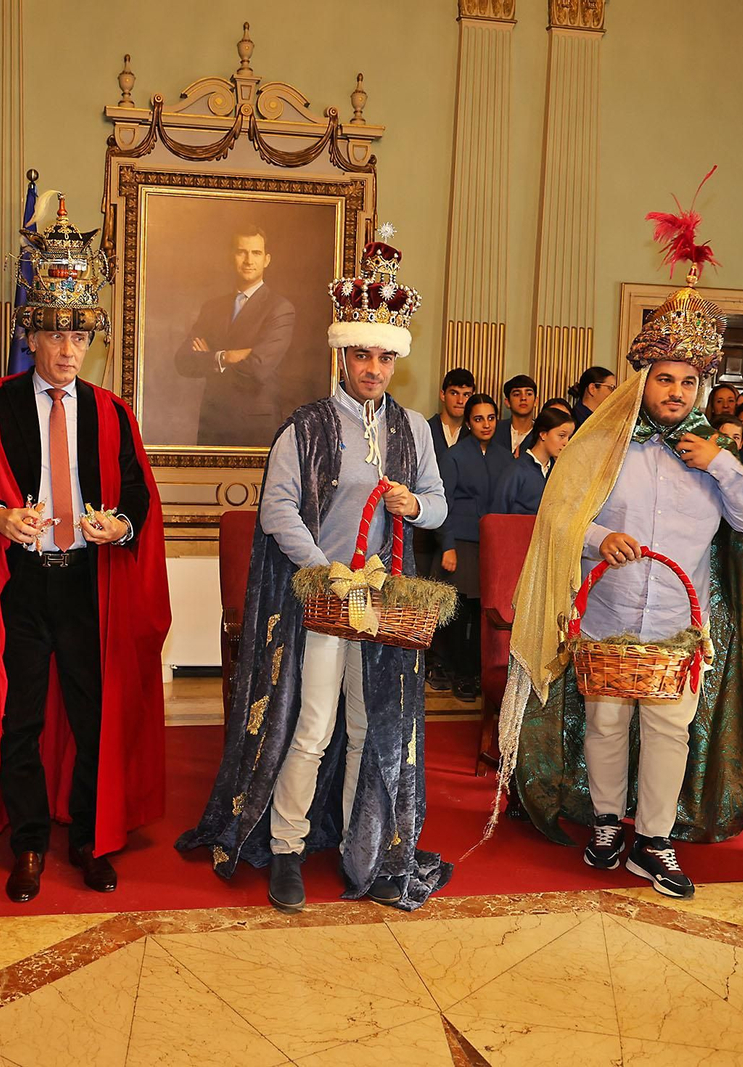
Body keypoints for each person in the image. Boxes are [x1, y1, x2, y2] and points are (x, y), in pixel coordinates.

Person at [177, 225, 452, 912]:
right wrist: (324, 570)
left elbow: (439, 506)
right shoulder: (305, 426)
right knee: (313, 726)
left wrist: (413, 503)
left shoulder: (414, 429)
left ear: (395, 360)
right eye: (362, 354)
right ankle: (287, 848)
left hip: (385, 604)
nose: (373, 368)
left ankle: (362, 848)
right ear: (343, 355)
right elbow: (277, 511)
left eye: (383, 357)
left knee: (369, 729)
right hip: (325, 599)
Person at [496, 248, 743, 899]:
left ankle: (654, 840)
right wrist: (600, 538)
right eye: (665, 378)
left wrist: (719, 463)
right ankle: (605, 822)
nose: (676, 391)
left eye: (688, 382)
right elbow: (559, 518)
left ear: (700, 387)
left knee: (671, 731)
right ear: (643, 380)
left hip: (677, 625)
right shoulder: (603, 443)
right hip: (608, 615)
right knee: (606, 725)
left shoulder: (715, 455)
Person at [0, 199, 170, 899]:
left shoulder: (110, 411)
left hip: (88, 585)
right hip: (20, 584)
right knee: (22, 717)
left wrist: (119, 526)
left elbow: (138, 495)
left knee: (94, 716)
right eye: (57, 334)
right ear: (32, 335)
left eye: (79, 335)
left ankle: (91, 841)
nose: (70, 350)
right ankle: (31, 842)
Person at [173, 222, 298, 446]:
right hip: (212, 423)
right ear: (231, 256)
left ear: (266, 259)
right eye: (242, 252)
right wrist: (226, 356)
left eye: (256, 253)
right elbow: (183, 361)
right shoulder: (212, 308)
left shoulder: (279, 308)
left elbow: (258, 367)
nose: (249, 260)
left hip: (255, 427)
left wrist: (210, 358)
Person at [439, 392, 514, 701]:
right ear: (468, 423)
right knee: (460, 613)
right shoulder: (454, 455)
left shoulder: (506, 457)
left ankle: (481, 674)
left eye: (491, 418)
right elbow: (443, 503)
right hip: (461, 542)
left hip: (494, 544)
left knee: (486, 612)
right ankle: (461, 674)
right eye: (479, 419)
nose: (486, 424)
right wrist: (447, 545)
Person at [417, 367, 475, 643]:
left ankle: (446, 658)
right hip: (423, 527)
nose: (460, 400)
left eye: (466, 394)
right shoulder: (424, 429)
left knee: (454, 601)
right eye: (454, 393)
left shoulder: (474, 435)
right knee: (422, 594)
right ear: (443, 394)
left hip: (457, 528)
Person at [491, 406, 575, 515]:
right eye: (561, 436)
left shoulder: (557, 471)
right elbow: (497, 514)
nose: (566, 443)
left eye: (569, 437)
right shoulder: (517, 470)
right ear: (543, 434)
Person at [492, 374, 539, 456]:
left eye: (529, 394)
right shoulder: (494, 429)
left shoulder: (541, 433)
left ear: (536, 401)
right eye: (517, 394)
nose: (523, 398)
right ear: (507, 402)